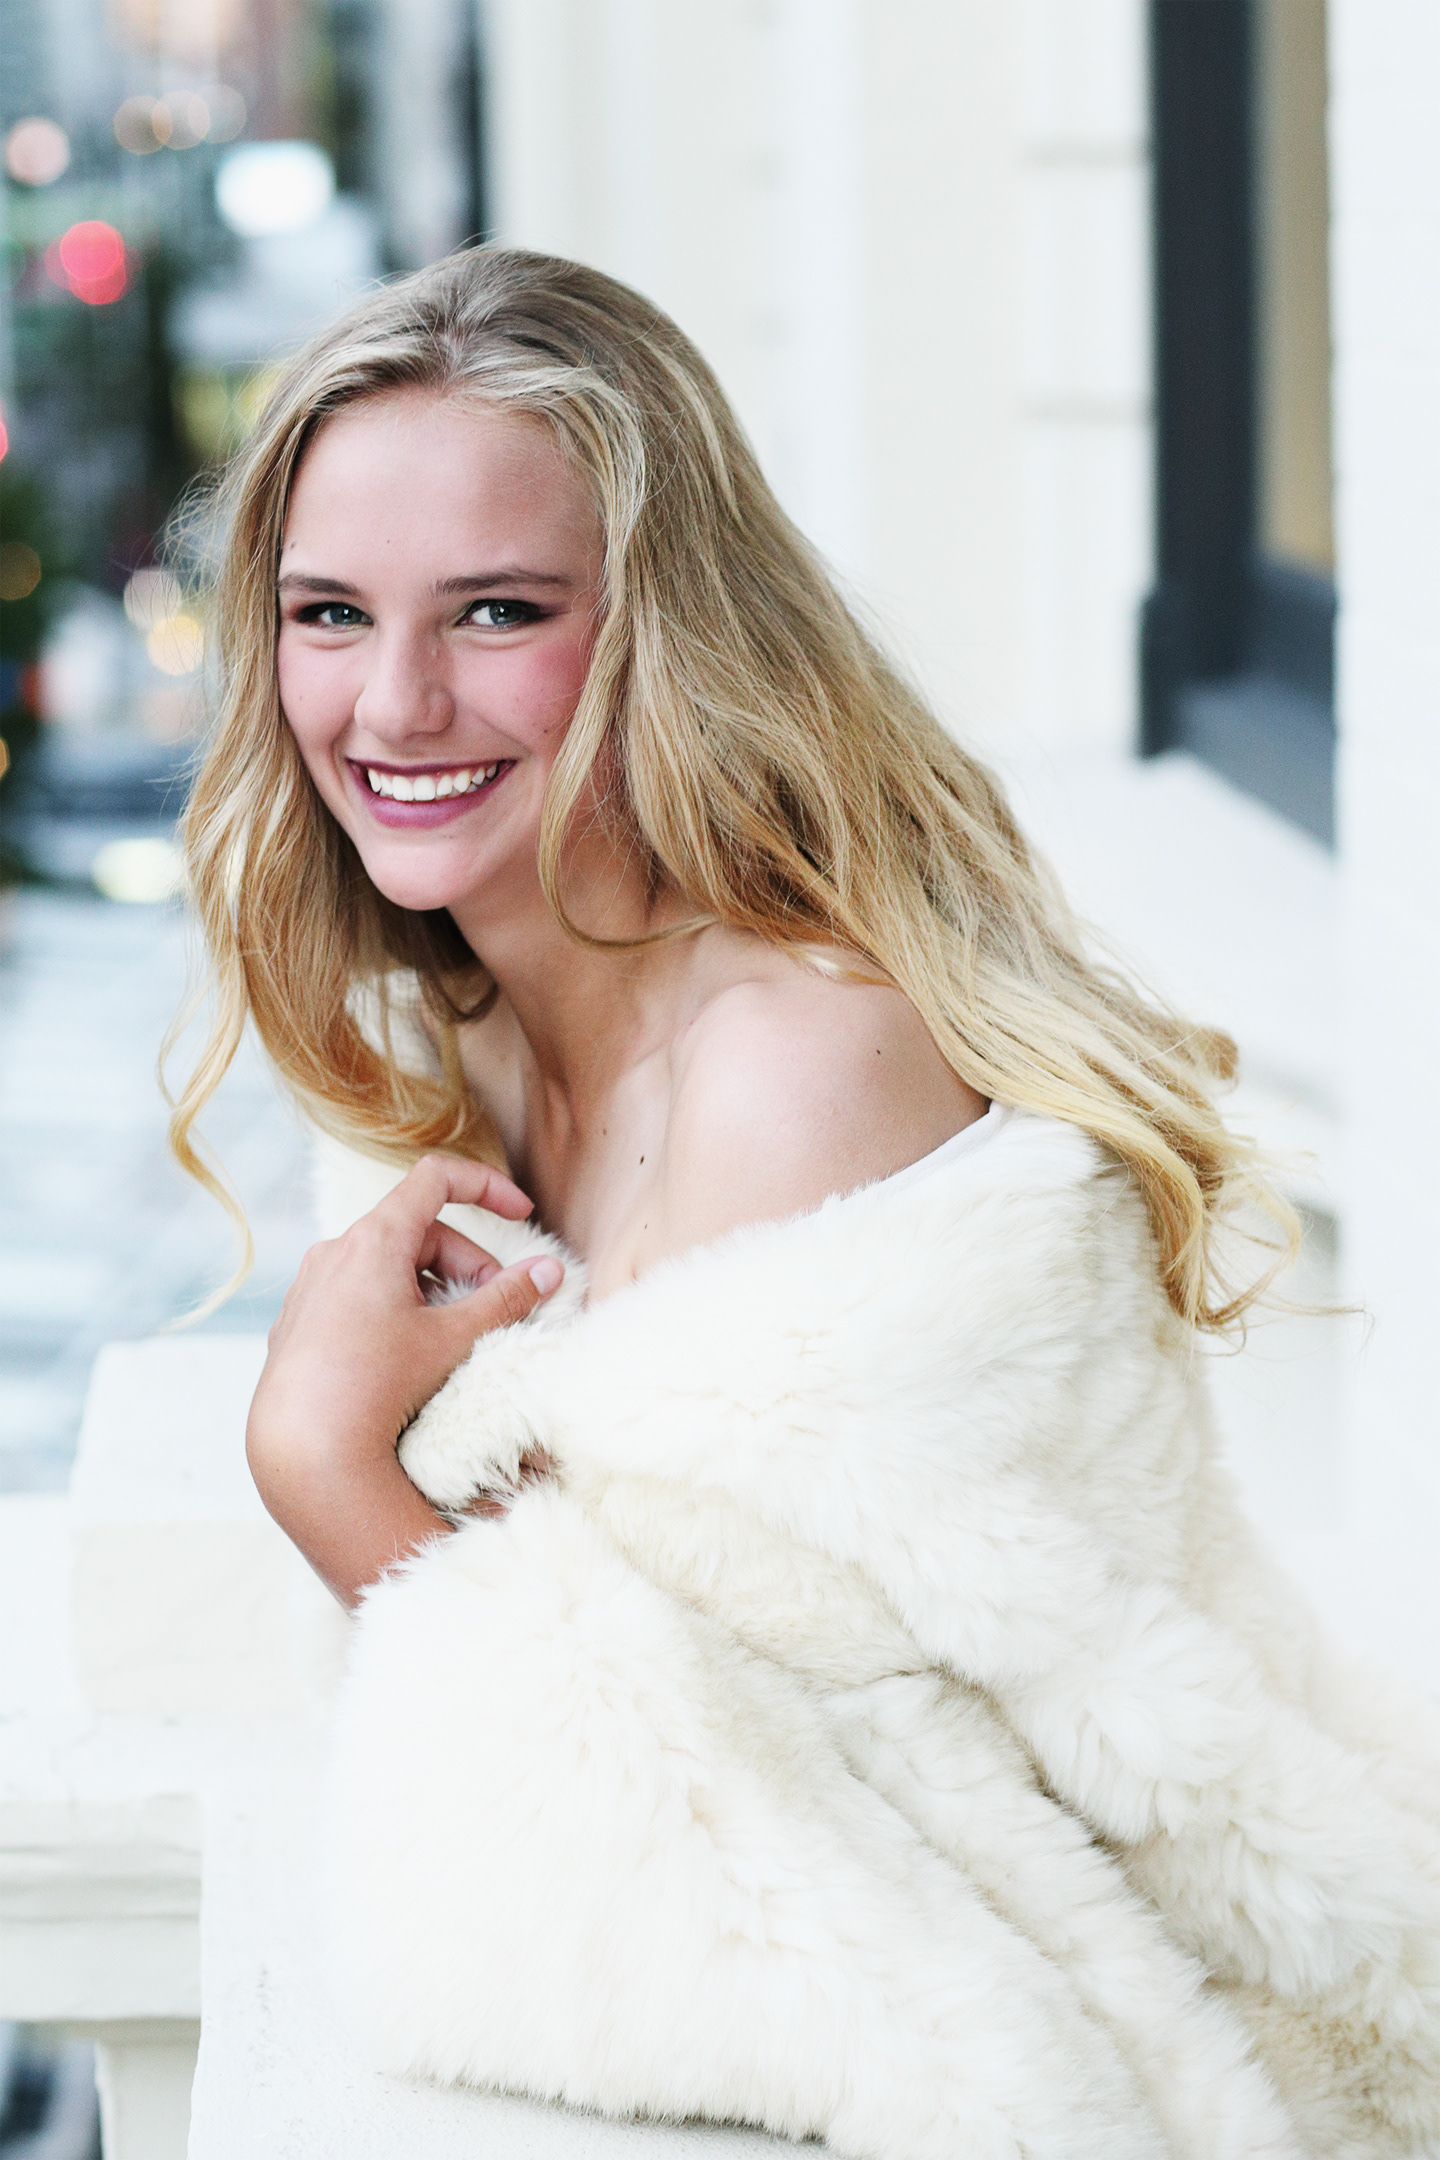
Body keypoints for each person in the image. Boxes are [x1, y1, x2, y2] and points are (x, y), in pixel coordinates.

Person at [171, 248, 1439, 2159]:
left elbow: (774, 1896)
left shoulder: (794, 1064)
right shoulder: (467, 1031)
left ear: (664, 628)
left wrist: (326, 1471)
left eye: (499, 611)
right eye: (329, 614)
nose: (396, 701)